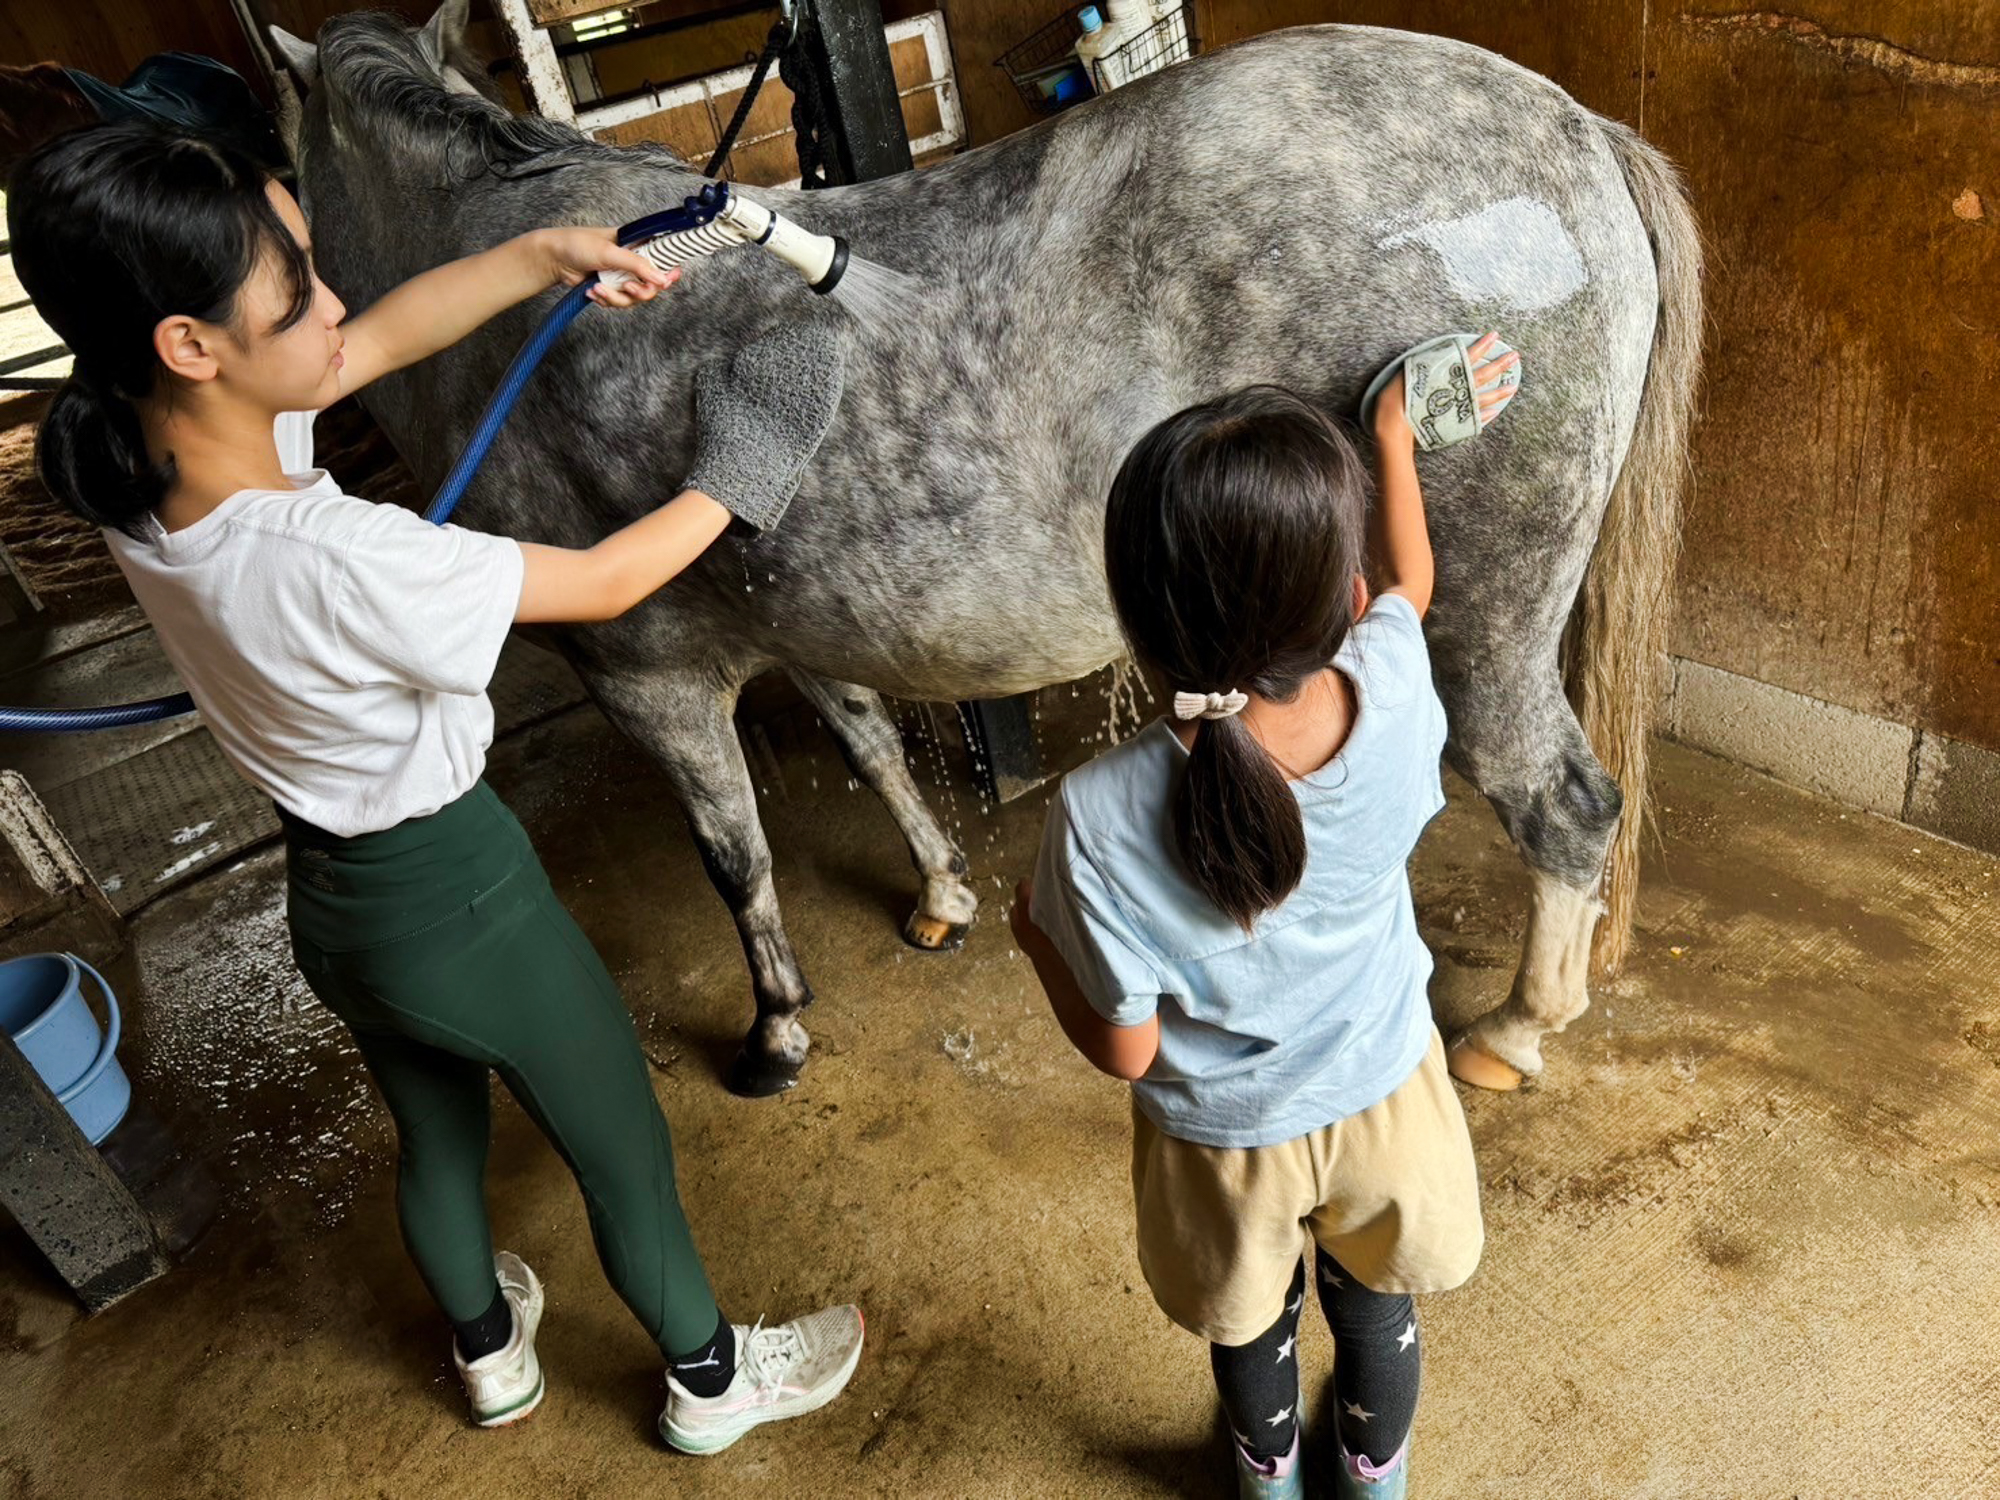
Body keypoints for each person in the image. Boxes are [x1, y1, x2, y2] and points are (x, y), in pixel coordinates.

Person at [8, 118, 860, 1452]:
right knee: (621, 1142)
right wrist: (747, 458)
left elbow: (370, 344)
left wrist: (542, 250)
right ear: (192, 345)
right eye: (297, 292)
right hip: (460, 896)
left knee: (438, 1135)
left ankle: (488, 1355)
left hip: (337, 906)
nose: (333, 305)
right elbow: (610, 581)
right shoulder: (342, 555)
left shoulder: (139, 456)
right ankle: (710, 1382)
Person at [1011, 336, 1521, 1498]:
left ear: (1137, 630)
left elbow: (1124, 1050)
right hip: (1385, 1094)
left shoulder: (1092, 815)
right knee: (1375, 1308)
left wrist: (1038, 943)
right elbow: (1412, 588)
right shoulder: (1393, 682)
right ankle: (1373, 1480)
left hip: (1223, 1141)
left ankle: (1267, 1481)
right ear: (1341, 602)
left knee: (1250, 1330)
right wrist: (1389, 434)